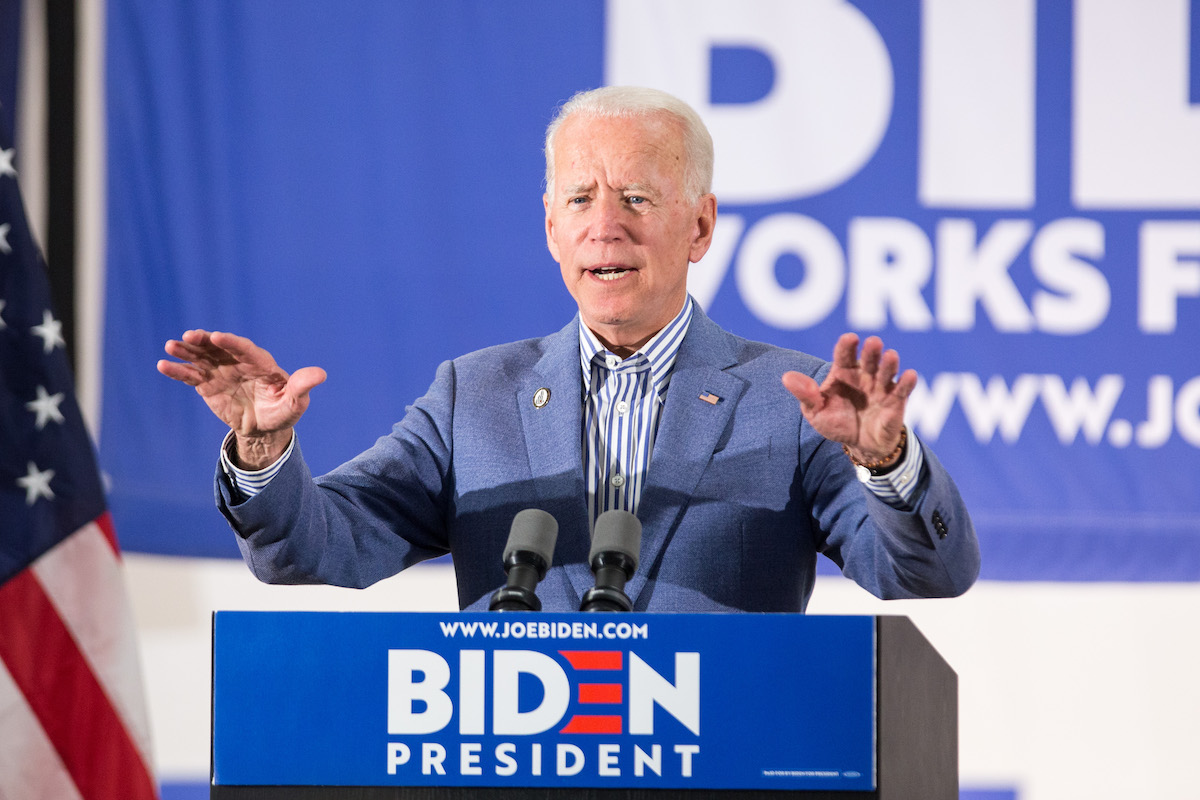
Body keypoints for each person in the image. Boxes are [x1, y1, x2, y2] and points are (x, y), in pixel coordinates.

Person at [157, 86, 979, 612]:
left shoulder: (793, 398)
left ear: (700, 225)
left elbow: (925, 573)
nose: (605, 225)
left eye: (637, 197)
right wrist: (261, 453)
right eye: (580, 199)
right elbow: (318, 546)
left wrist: (887, 463)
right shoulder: (472, 396)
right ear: (551, 227)